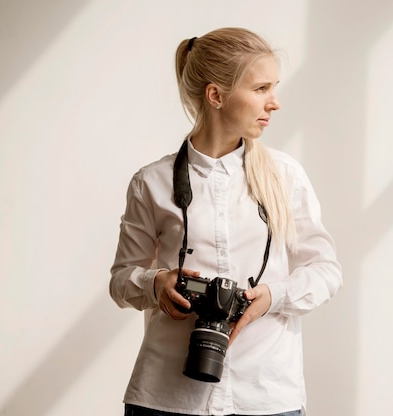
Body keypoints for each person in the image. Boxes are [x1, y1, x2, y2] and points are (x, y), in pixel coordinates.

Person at [110, 27, 342, 416]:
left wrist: (273, 297)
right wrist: (157, 283)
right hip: (168, 399)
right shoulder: (151, 182)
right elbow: (121, 281)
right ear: (216, 95)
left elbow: (327, 271)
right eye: (261, 89)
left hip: (266, 396)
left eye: (274, 87)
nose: (275, 103)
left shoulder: (286, 176)